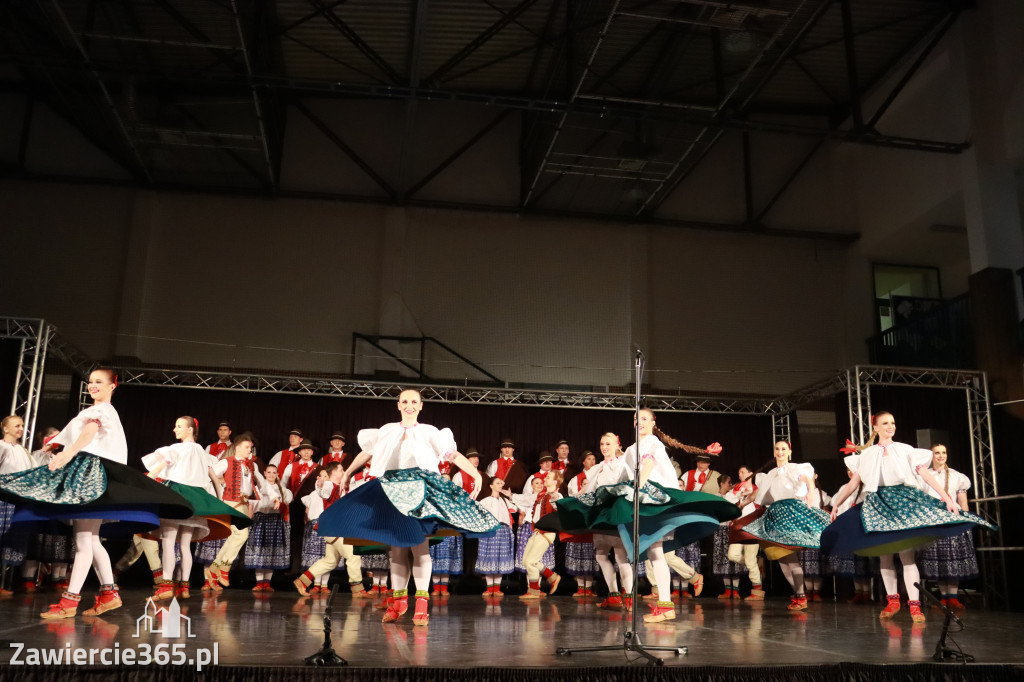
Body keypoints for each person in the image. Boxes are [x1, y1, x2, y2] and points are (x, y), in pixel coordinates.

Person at [0, 368, 192, 619]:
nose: (92, 386)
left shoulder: (100, 411)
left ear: (113, 386)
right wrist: (60, 444)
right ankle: (109, 593)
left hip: (89, 476)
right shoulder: (101, 410)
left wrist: (69, 451)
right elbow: (80, 432)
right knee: (90, 539)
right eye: (90, 382)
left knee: (83, 540)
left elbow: (88, 432)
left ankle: (70, 602)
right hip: (94, 474)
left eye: (99, 382)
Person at [316, 388, 498, 626]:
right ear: (398, 405)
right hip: (391, 489)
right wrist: (349, 472)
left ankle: (421, 605)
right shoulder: (387, 430)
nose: (409, 405)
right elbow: (367, 453)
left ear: (421, 406)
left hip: (419, 490)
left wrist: (476, 474)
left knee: (418, 546)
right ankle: (400, 601)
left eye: (414, 401)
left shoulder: (429, 431)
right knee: (397, 548)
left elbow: (452, 455)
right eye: (405, 401)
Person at [546, 408, 737, 623]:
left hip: (651, 497)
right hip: (642, 498)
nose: (640, 423)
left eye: (644, 419)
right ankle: (664, 604)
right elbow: (625, 475)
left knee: (654, 553)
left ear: (654, 422)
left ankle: (664, 604)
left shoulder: (651, 442)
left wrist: (640, 486)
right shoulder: (631, 449)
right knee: (655, 553)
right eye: (637, 419)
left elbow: (647, 464)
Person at [823, 412, 996, 623]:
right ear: (875, 428)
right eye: (885, 423)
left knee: (906, 555)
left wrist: (947, 499)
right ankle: (892, 600)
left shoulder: (905, 449)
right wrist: (838, 503)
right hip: (878, 503)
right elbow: (853, 483)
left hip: (902, 500)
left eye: (893, 423)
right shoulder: (867, 455)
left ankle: (915, 606)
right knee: (884, 553)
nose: (891, 426)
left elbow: (926, 475)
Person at [142, 416, 250, 600]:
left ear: (190, 429)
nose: (175, 430)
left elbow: (160, 467)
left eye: (179, 426)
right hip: (196, 499)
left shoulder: (176, 449)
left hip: (177, 495)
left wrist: (144, 480)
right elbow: (213, 477)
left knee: (168, 541)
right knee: (184, 544)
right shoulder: (201, 451)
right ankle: (184, 586)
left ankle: (166, 585)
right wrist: (217, 499)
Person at [732, 441, 830, 612]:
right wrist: (743, 503)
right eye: (777, 449)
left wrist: (811, 494)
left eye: (784, 449)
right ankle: (799, 593)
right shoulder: (770, 474)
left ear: (789, 452)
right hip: (775, 513)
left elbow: (807, 479)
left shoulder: (794, 469)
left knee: (790, 557)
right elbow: (759, 494)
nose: (780, 451)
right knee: (782, 560)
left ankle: (800, 595)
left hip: (789, 512)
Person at [916, 444, 979, 610]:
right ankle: (943, 597)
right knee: (939, 558)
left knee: (953, 559)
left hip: (953, 519)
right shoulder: (924, 475)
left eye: (944, 452)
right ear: (931, 456)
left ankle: (953, 596)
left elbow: (963, 501)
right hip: (934, 520)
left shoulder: (958, 476)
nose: (941, 455)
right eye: (937, 453)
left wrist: (965, 519)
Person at [206, 433, 260, 588]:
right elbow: (210, 472)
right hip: (230, 502)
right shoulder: (227, 462)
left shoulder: (249, 465)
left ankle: (214, 568)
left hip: (242, 503)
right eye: (247, 447)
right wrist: (220, 484)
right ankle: (225, 567)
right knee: (242, 534)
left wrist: (273, 496)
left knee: (235, 537)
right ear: (237, 447)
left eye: (251, 447)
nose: (250, 449)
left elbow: (256, 484)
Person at [0, 416, 34, 593]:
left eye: (22, 425)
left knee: (10, 541)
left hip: (18, 501)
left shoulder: (23, 450)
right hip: (3, 499)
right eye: (17, 425)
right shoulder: (2, 446)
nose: (21, 428)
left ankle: (3, 584)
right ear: (5, 429)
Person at [245, 464, 291, 592]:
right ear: (264, 473)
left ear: (277, 474)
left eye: (274, 473)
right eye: (269, 472)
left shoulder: (282, 489)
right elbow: (252, 504)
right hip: (259, 518)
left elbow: (286, 507)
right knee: (259, 550)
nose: (271, 475)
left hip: (274, 520)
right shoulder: (259, 487)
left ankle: (267, 582)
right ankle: (259, 582)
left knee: (271, 551)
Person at [518, 473, 564, 599]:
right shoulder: (541, 495)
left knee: (530, 561)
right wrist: (510, 495)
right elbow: (526, 500)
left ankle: (534, 590)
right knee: (526, 561)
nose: (545, 479)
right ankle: (552, 577)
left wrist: (555, 498)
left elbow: (558, 506)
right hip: (537, 531)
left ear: (555, 481)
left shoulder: (557, 495)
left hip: (547, 533)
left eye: (548, 477)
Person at [725, 465, 763, 600]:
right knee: (732, 555)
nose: (740, 474)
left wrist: (750, 494)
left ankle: (757, 592)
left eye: (743, 472)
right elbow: (727, 499)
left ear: (751, 473)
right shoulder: (736, 489)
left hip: (751, 527)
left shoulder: (757, 489)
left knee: (750, 560)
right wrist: (739, 493)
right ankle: (756, 564)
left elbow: (761, 502)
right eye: (739, 472)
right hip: (738, 526)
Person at [564, 451, 598, 596]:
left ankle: (589, 589)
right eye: (589, 459)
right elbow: (571, 498)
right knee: (578, 553)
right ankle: (580, 588)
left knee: (590, 554)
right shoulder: (575, 479)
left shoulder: (599, 477)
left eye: (594, 459)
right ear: (583, 462)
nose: (592, 461)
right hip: (579, 521)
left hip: (592, 521)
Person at [476, 477, 516, 596]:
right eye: (497, 483)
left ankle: (497, 588)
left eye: (501, 483)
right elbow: (478, 514)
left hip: (503, 530)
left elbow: (515, 509)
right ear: (491, 486)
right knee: (490, 557)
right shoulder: (486, 501)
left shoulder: (505, 501)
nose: (500, 485)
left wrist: (509, 496)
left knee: (500, 558)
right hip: (490, 530)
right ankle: (489, 588)